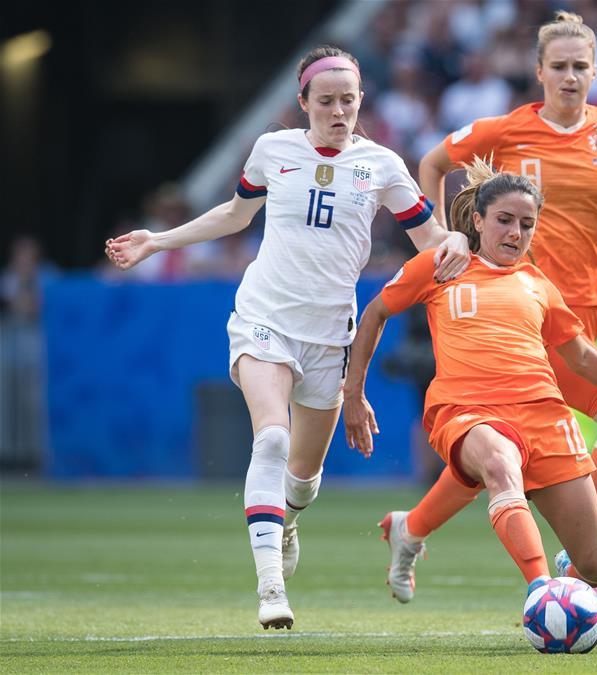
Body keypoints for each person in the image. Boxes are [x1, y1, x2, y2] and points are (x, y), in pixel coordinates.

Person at [104, 45, 470, 630]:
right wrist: (158, 240)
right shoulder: (273, 150)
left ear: (361, 102)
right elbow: (233, 214)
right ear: (303, 103)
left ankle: (289, 520)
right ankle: (270, 586)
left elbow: (432, 240)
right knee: (271, 440)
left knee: (303, 477)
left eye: (348, 100)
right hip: (264, 317)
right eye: (325, 101)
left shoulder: (382, 166)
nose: (337, 111)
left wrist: (456, 244)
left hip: (330, 335)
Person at [381, 11, 597, 610]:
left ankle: (410, 528)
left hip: (578, 316)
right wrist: (440, 240)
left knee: (494, 459)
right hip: (513, 317)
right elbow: (433, 164)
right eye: (559, 66)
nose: (570, 77)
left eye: (581, 67)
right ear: (539, 71)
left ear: (596, 71)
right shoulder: (508, 130)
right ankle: (586, 564)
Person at [343, 161, 597, 600]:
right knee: (497, 464)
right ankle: (541, 592)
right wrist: (353, 392)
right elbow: (376, 312)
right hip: (466, 411)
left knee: (595, 565)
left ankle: (411, 527)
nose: (516, 233)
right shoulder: (443, 265)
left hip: (543, 416)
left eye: (527, 224)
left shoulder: (537, 284)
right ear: (477, 221)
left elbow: (579, 354)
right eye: (505, 220)